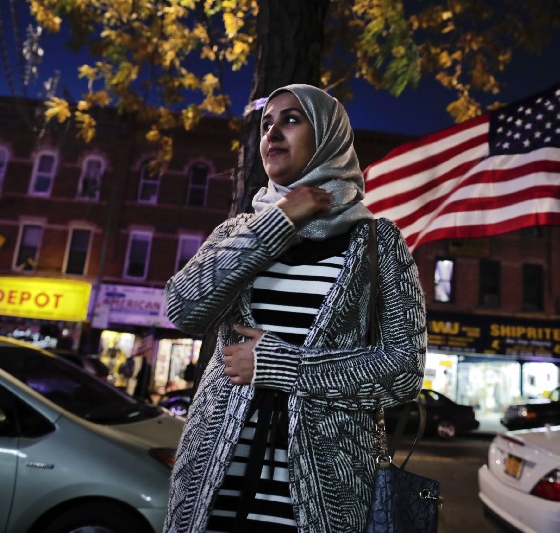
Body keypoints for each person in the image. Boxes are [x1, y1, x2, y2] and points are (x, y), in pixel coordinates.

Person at [163, 84, 427, 533]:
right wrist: (280, 220)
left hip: (325, 493)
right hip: (214, 484)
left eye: (290, 119)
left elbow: (403, 370)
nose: (272, 133)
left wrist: (287, 367)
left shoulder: (377, 243)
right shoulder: (239, 232)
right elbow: (184, 309)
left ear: (328, 136)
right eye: (266, 124)